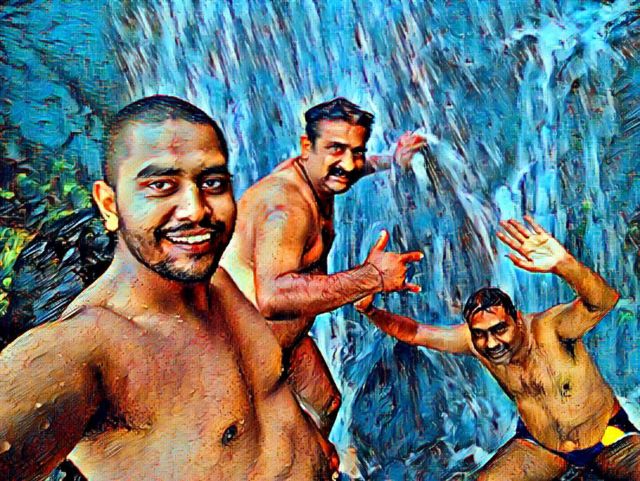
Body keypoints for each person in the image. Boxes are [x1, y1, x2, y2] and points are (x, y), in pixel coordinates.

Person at [0, 95, 335, 480]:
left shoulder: (216, 282)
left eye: (212, 183)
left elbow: (268, 395)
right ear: (109, 205)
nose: (196, 209)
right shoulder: (86, 350)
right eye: (160, 185)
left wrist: (312, 441)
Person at [355, 215, 640, 480]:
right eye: (480, 334)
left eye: (499, 329)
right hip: (541, 447)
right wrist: (370, 310)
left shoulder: (550, 328)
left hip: (609, 438)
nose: (491, 343)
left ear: (517, 319)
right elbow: (414, 332)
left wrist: (564, 264)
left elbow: (604, 301)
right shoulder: (473, 343)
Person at [219, 97, 425, 436]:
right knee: (263, 442)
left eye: (357, 151)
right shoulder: (286, 207)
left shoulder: (319, 176)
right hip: (240, 353)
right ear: (307, 147)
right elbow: (273, 296)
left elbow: (349, 169)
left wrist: (392, 160)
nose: (348, 163)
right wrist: (372, 276)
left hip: (284, 343)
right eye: (336, 149)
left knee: (326, 405)